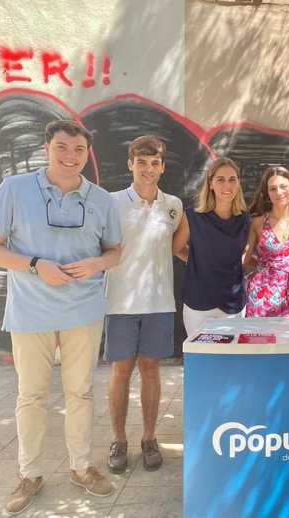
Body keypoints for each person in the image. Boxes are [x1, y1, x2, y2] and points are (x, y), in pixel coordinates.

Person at [0, 120, 121, 514]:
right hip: (30, 311)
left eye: (78, 150)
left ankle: (81, 466)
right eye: (61, 147)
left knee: (81, 391)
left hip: (84, 311)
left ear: (86, 154)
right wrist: (36, 264)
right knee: (31, 395)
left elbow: (114, 251)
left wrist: (98, 263)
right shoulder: (14, 189)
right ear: (46, 148)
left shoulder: (100, 199)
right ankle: (30, 473)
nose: (69, 157)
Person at [103, 135, 183, 475]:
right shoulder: (109, 202)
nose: (148, 169)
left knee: (151, 370)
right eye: (142, 161)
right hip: (118, 303)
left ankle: (149, 438)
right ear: (130, 163)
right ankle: (118, 440)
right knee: (121, 371)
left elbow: (180, 248)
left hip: (159, 302)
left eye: (154, 163)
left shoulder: (174, 205)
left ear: (162, 166)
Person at [173, 157, 251, 336]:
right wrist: (196, 259)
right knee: (201, 362)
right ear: (210, 183)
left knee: (231, 362)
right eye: (220, 180)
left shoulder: (245, 220)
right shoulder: (193, 217)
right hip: (198, 305)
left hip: (233, 305)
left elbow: (246, 257)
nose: (227, 185)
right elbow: (175, 248)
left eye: (232, 179)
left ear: (238, 183)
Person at [244, 167, 289, 317]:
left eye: (283, 186)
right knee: (260, 339)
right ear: (268, 195)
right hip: (262, 294)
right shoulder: (257, 223)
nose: (278, 192)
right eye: (273, 189)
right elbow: (244, 259)